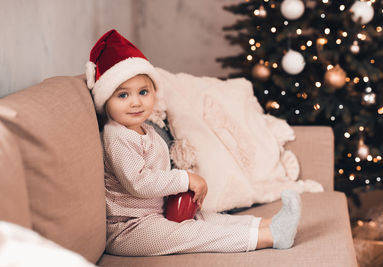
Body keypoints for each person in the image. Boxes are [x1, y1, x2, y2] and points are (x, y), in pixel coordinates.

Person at [85, 29, 302, 256]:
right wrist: (185, 179)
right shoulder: (116, 135)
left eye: (143, 92)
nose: (136, 102)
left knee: (205, 216)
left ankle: (267, 224)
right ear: (105, 100)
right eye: (123, 95)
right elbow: (138, 183)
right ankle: (269, 237)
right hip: (129, 227)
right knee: (194, 234)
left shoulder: (147, 130)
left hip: (156, 213)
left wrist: (180, 198)